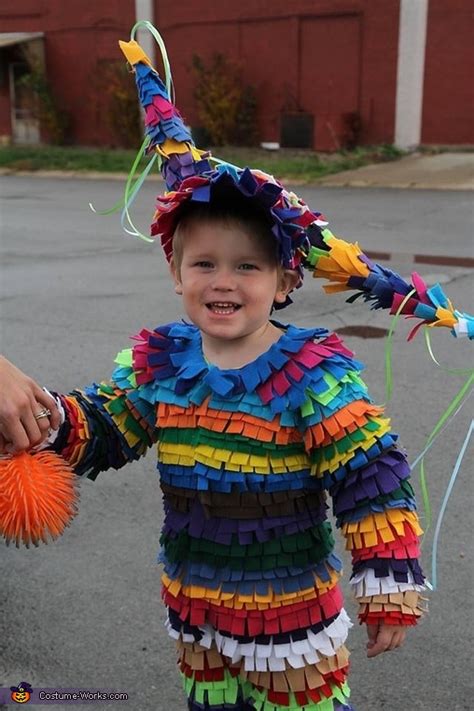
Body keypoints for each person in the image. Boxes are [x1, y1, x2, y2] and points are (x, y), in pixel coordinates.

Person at [0, 36, 430, 711]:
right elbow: (107, 426)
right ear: (175, 272)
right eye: (204, 264)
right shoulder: (162, 362)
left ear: (285, 279)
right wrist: (47, 419)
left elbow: (371, 479)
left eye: (246, 267)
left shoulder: (314, 373)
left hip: (293, 629)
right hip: (197, 613)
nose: (223, 282)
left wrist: (390, 578)